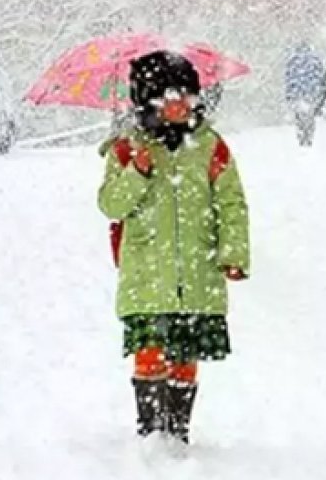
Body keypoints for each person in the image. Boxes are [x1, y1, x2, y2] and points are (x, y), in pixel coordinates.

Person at [98, 51, 251, 447]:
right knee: (150, 351)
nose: (181, 105)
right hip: (147, 275)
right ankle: (151, 430)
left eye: (188, 96)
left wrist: (233, 253)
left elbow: (231, 202)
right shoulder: (127, 149)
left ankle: (178, 430)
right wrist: (138, 171)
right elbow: (111, 205)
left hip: (197, 273)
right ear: (148, 100)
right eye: (170, 97)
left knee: (185, 354)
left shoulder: (210, 147)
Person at [284, 42, 326, 147]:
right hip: (311, 93)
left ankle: (302, 135)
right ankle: (309, 135)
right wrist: (319, 92)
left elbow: (289, 78)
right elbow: (319, 76)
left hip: (297, 93)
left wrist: (289, 93)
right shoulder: (315, 60)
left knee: (299, 116)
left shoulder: (293, 61)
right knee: (310, 116)